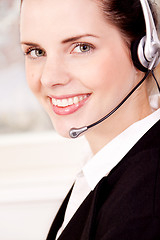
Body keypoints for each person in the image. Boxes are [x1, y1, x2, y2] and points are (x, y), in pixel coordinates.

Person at [20, 0, 160, 239]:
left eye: (82, 47)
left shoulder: (145, 207)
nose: (49, 78)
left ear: (144, 51)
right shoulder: (107, 167)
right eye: (36, 52)